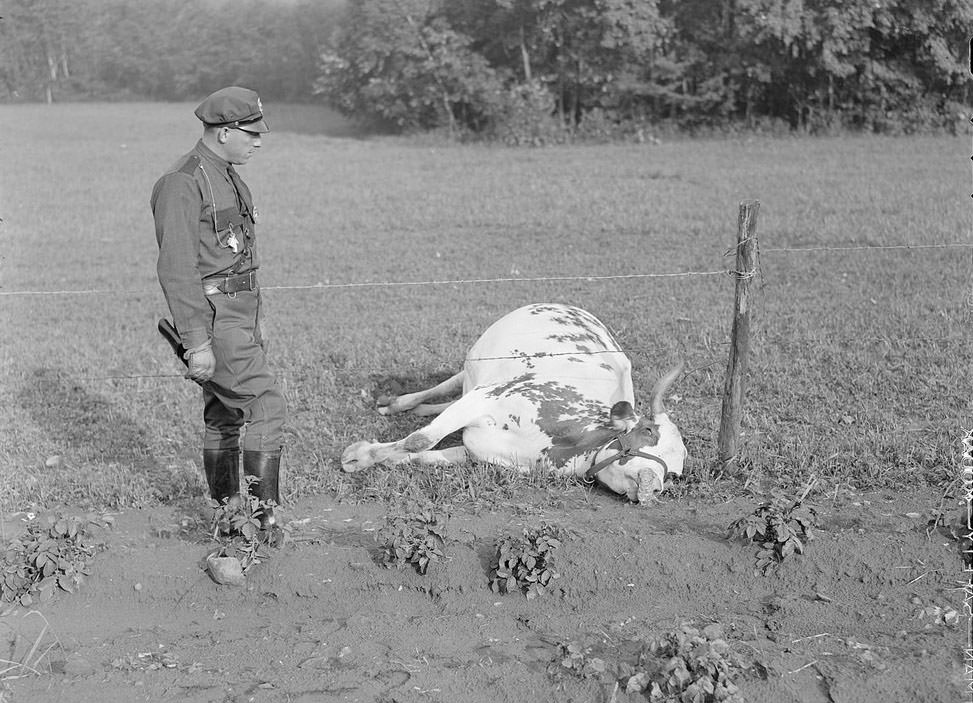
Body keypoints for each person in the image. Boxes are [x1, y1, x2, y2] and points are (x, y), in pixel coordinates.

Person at [151, 86, 286, 542]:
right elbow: (176, 268)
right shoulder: (183, 182)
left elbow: (236, 253)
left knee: (225, 414)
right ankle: (262, 522)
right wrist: (197, 343)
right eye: (251, 133)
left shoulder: (224, 173)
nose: (259, 141)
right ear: (224, 131)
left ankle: (231, 520)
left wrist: (255, 317)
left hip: (239, 311)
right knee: (266, 406)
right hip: (215, 318)